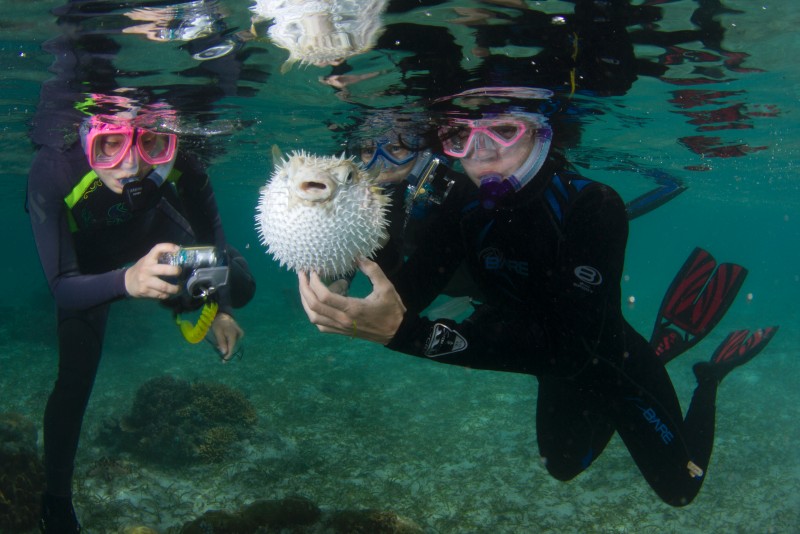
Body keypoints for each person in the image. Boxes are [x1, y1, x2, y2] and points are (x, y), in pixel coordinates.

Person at [297, 87, 778, 506]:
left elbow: (569, 350)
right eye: (460, 136)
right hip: (538, 351)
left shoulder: (592, 205)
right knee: (563, 466)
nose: (481, 153)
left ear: (542, 132)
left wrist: (408, 335)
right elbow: (405, 300)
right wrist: (347, 290)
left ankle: (707, 378)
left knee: (680, 490)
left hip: (600, 356)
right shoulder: (463, 206)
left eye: (504, 130)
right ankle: (657, 364)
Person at [27, 100, 255, 532]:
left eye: (150, 143)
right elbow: (62, 285)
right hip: (87, 266)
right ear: (84, 138)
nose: (131, 165)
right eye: (109, 144)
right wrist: (127, 281)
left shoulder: (181, 159)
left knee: (241, 285)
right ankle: (55, 502)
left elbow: (212, 242)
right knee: (75, 378)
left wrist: (221, 309)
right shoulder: (54, 169)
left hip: (160, 238)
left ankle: (179, 297)